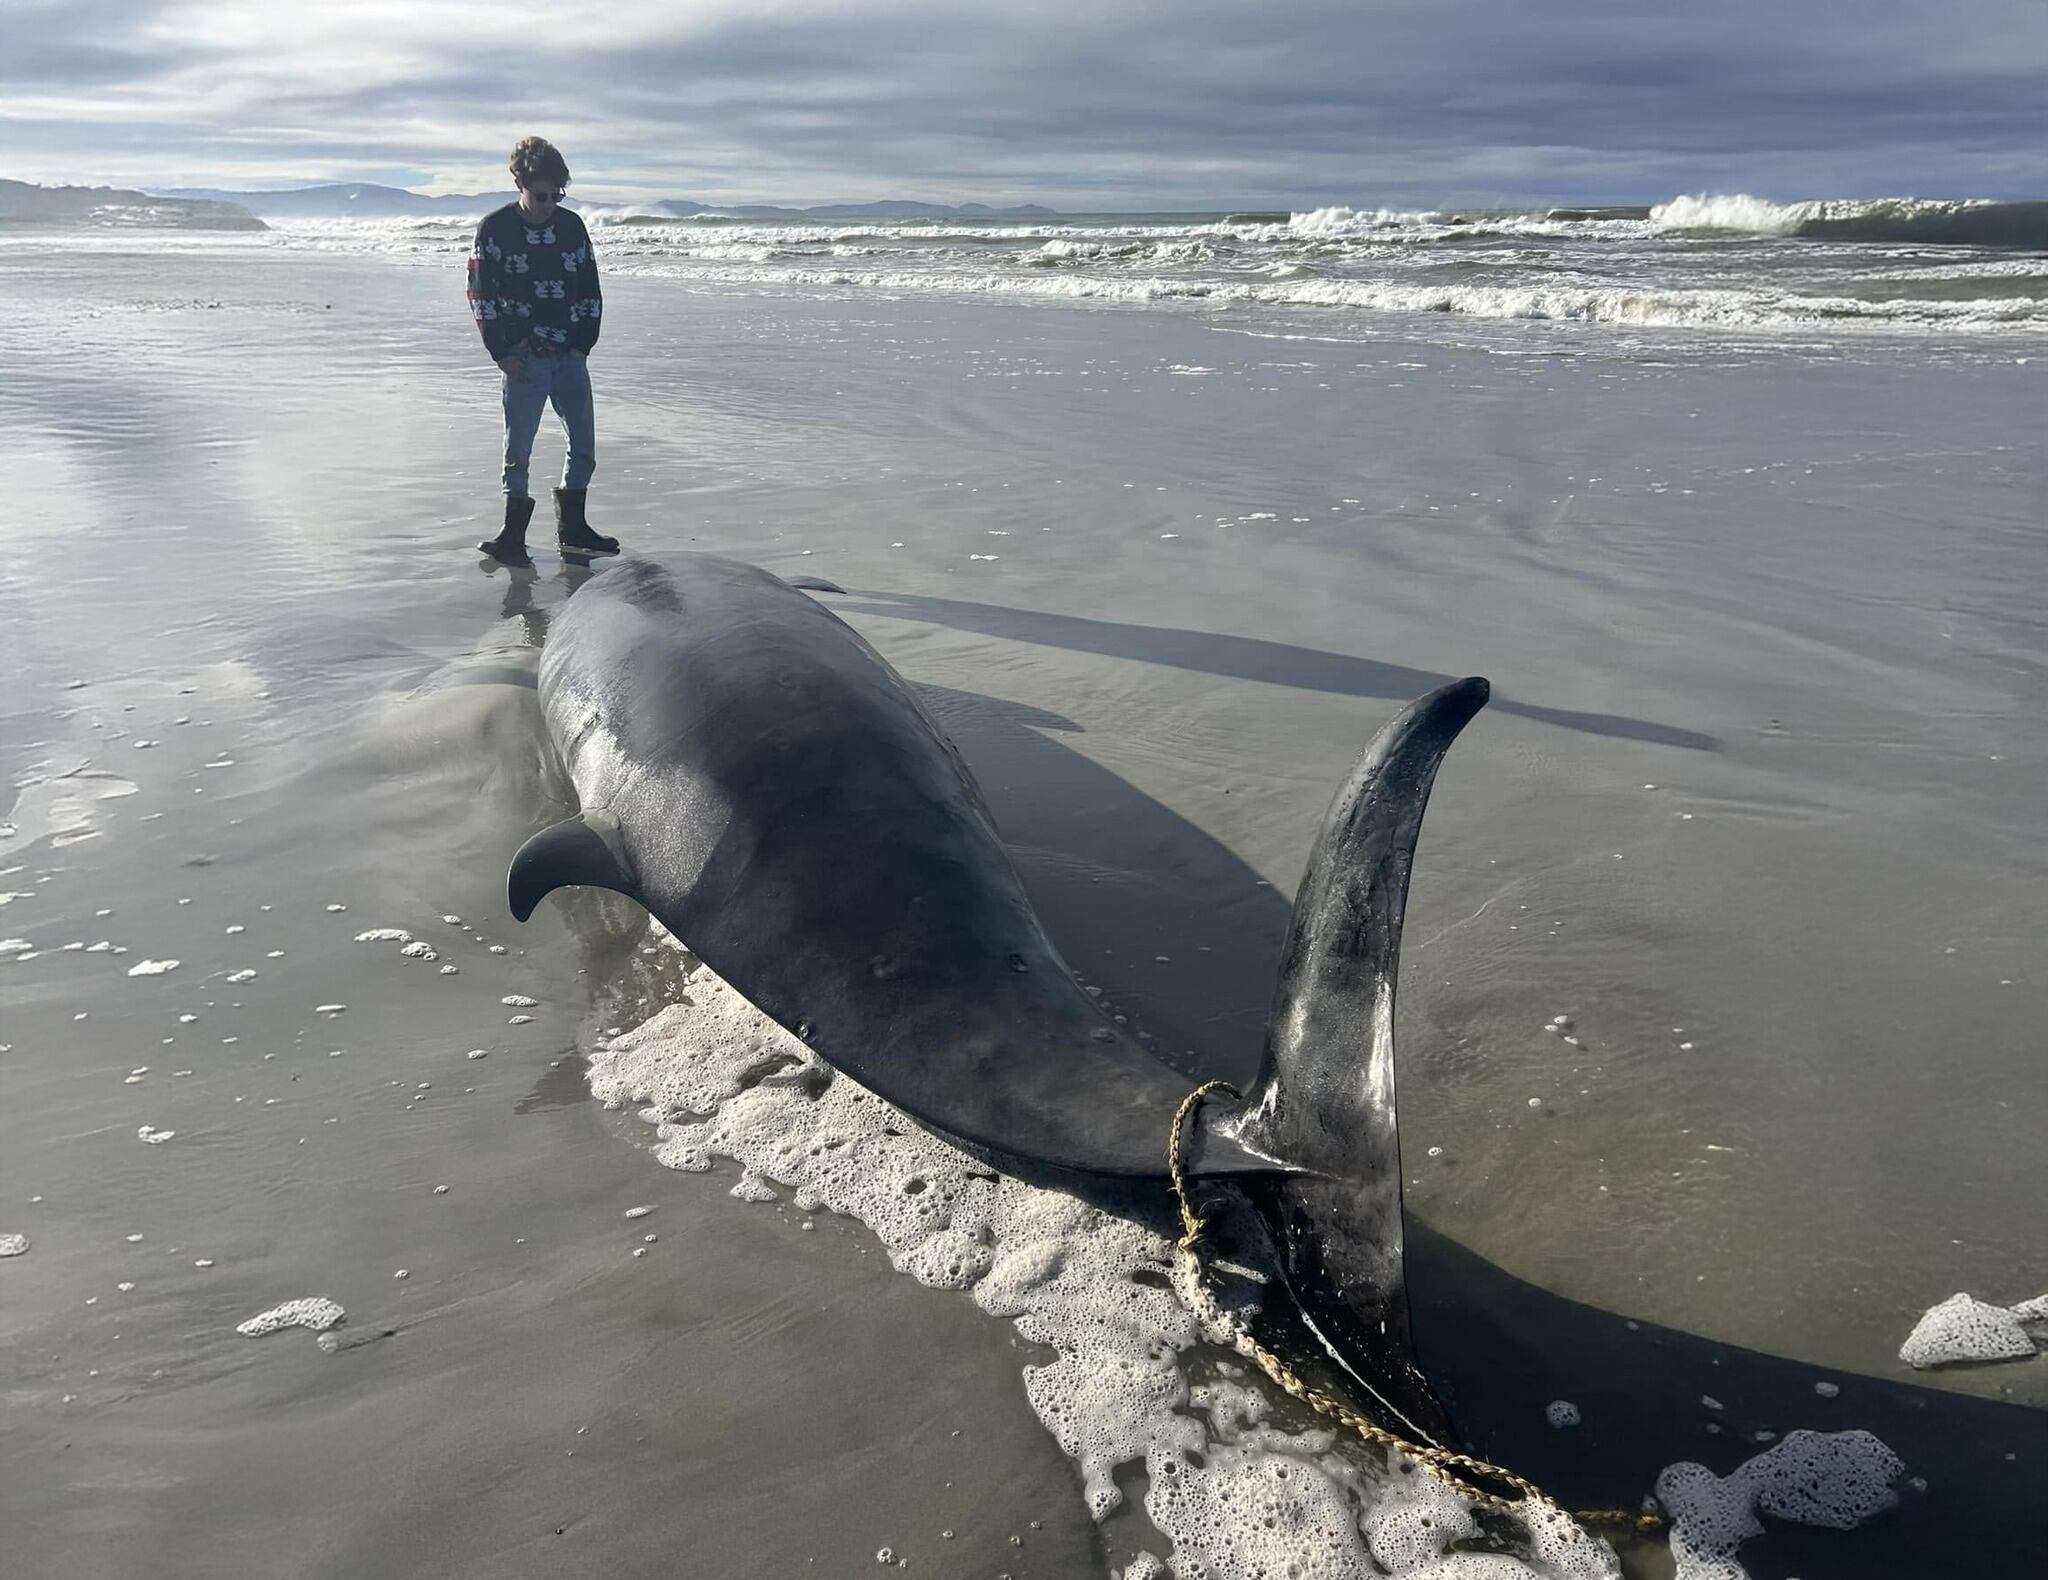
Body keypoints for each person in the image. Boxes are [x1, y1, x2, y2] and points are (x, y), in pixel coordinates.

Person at [469, 136, 619, 562]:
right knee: (519, 449)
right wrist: (502, 352)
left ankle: (573, 528)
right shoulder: (495, 229)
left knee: (584, 444)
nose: (549, 203)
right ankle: (511, 535)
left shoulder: (572, 227)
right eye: (540, 195)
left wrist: (582, 345)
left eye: (557, 195)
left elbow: (590, 286)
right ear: (519, 183)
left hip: (569, 354)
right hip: (523, 358)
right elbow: (481, 294)